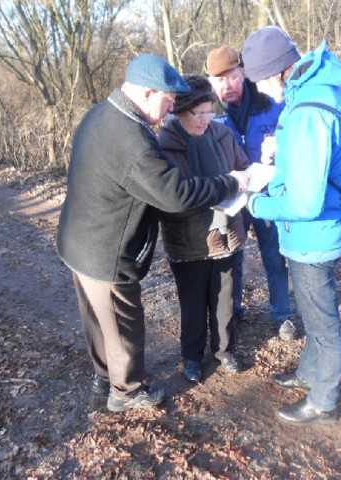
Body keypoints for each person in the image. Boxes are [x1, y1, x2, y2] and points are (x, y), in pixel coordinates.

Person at [56, 54, 248, 413]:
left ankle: (104, 375)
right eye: (168, 100)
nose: (173, 107)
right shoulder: (130, 138)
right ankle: (125, 391)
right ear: (147, 93)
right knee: (121, 323)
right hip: (104, 249)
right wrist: (230, 183)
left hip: (78, 240)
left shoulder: (102, 114)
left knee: (98, 320)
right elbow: (175, 194)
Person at [241, 26, 341, 425]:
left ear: (278, 70)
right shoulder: (323, 87)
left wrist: (257, 203)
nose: (260, 90)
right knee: (311, 311)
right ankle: (309, 372)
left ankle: (324, 400)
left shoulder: (308, 109)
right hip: (325, 225)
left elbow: (306, 202)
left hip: (314, 233)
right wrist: (281, 157)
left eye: (259, 80)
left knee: (322, 321)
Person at [158, 75, 250, 383]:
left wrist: (249, 179)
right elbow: (170, 194)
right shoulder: (164, 146)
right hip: (188, 238)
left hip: (227, 233)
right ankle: (192, 358)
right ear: (178, 112)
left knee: (225, 299)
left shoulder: (223, 134)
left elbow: (242, 168)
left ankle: (224, 350)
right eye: (198, 113)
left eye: (209, 111)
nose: (205, 120)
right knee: (193, 303)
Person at [205, 46, 295, 341]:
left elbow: (293, 144)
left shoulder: (272, 104)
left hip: (269, 194)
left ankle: (282, 313)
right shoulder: (210, 115)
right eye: (218, 80)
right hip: (233, 198)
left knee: (274, 256)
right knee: (233, 257)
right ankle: (235, 310)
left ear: (243, 73)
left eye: (231, 77)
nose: (225, 86)